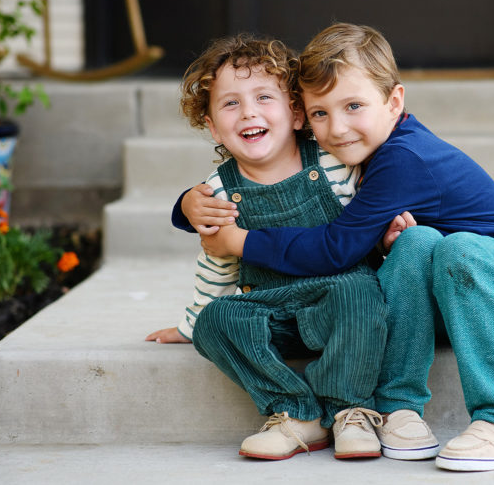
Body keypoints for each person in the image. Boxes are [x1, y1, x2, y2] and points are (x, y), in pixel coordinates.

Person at [177, 23, 494, 473]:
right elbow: (260, 167)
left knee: (452, 249)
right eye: (320, 113)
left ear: (394, 102)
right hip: (445, 292)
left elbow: (336, 249)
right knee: (416, 241)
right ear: (303, 114)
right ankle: (399, 409)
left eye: (353, 106)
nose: (336, 128)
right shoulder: (354, 154)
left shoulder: (402, 158)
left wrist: (238, 240)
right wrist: (186, 206)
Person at [146, 33, 390, 461]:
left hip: (341, 308)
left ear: (296, 113)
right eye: (230, 103)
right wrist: (190, 326)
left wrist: (391, 234)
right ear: (211, 124)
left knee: (360, 289)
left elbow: (368, 218)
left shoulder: (334, 161)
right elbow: (217, 262)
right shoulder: (219, 190)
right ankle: (296, 412)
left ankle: (349, 409)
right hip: (270, 313)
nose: (248, 112)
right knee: (215, 320)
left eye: (263, 97)